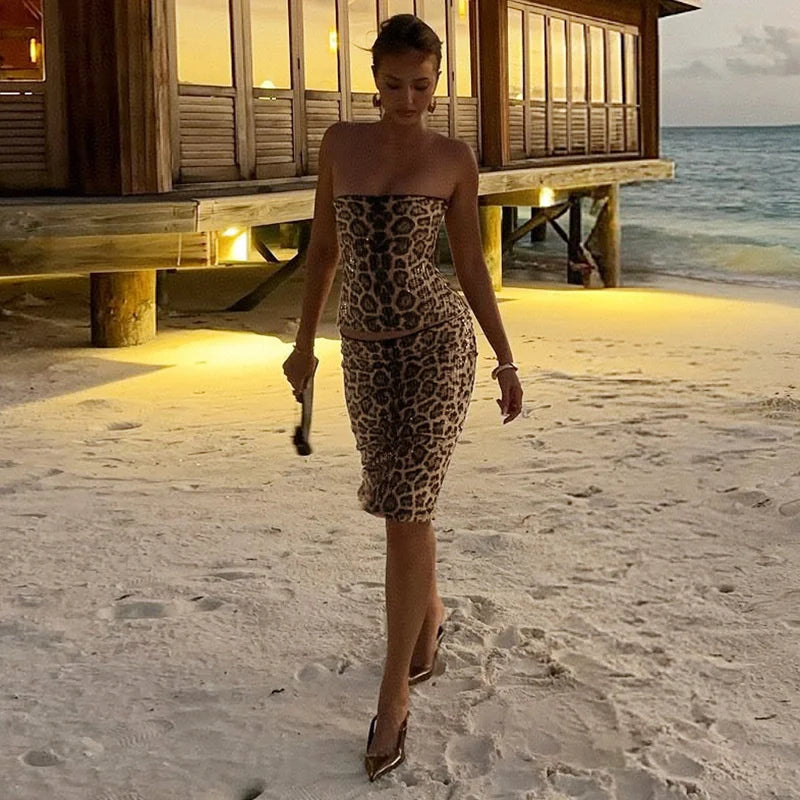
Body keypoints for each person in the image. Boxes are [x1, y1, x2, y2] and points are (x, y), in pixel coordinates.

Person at [282, 14, 523, 781]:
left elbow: (471, 266)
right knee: (402, 502)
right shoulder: (339, 144)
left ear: (437, 80)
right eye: (392, 86)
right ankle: (432, 620)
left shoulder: (453, 157)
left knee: (405, 511)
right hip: (365, 354)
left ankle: (395, 696)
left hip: (437, 346)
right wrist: (303, 344)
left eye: (421, 86)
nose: (407, 100)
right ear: (374, 79)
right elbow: (322, 247)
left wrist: (505, 357)